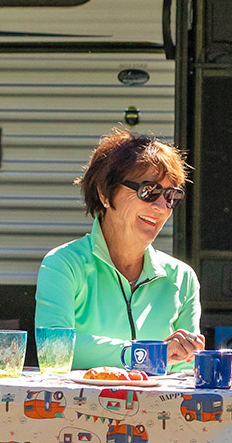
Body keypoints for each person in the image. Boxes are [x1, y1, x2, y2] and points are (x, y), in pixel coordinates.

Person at [36, 129, 205, 370]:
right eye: (148, 191)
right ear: (105, 193)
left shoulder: (183, 277)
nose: (161, 207)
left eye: (170, 196)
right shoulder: (62, 264)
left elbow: (184, 371)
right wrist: (146, 354)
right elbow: (53, 349)